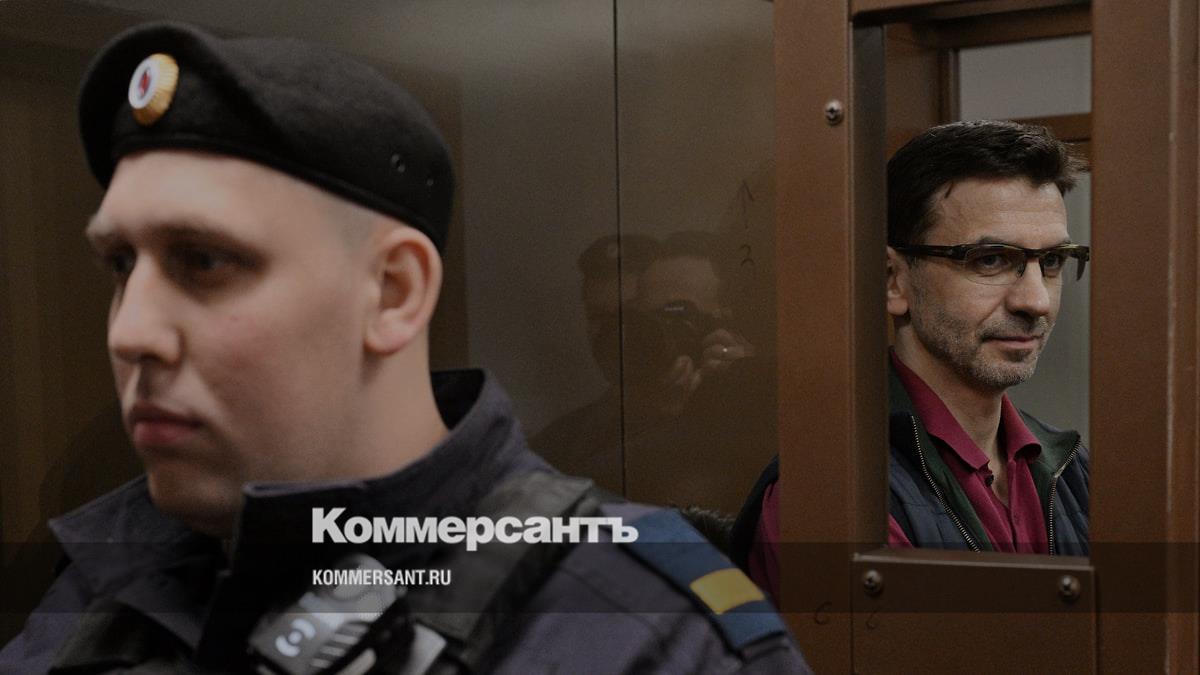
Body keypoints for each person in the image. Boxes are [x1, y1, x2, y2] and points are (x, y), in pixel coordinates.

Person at [0, 22, 811, 673]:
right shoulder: (99, 588)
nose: (130, 330)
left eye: (205, 262)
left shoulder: (642, 632)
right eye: (121, 264)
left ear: (392, 292)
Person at [733, 120, 1091, 604]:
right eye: (990, 260)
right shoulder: (834, 495)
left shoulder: (1072, 469)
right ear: (892, 280)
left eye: (1051, 262)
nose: (1036, 301)